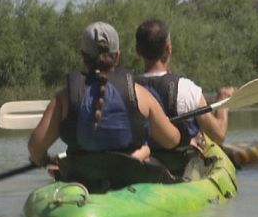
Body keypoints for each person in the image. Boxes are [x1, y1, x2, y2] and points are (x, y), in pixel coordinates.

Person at [27, 21, 183, 192]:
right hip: (131, 178)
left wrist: (46, 160)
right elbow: (171, 140)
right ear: (117, 56)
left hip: (81, 179)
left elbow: (35, 148)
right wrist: (157, 131)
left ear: (83, 55)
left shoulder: (63, 98)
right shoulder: (140, 94)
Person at [133, 19, 235, 175]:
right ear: (168, 49)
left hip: (145, 166)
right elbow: (219, 135)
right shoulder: (187, 88)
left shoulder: (127, 90)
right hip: (182, 168)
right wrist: (223, 102)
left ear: (137, 50)